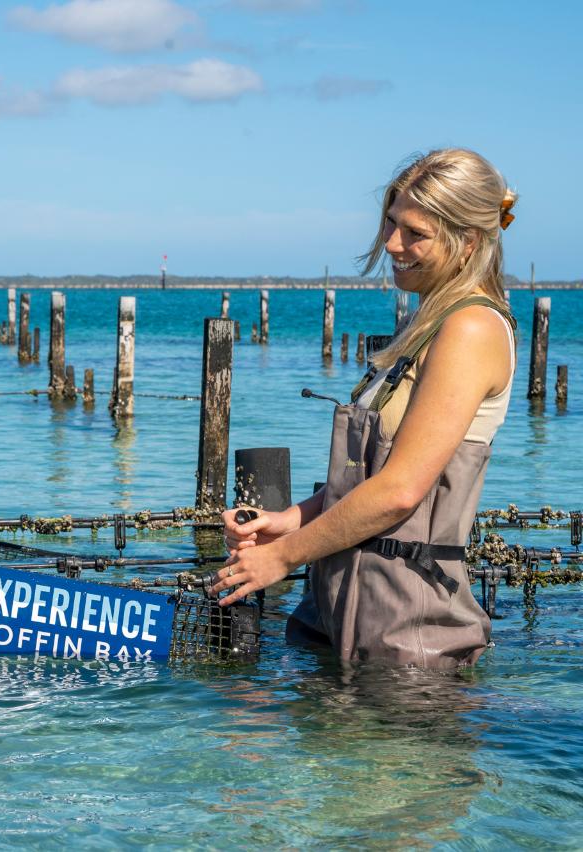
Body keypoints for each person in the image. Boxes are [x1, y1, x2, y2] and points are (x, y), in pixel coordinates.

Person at [211, 148, 518, 669]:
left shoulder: (471, 329)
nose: (393, 244)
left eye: (415, 233)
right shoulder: (426, 325)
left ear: (468, 242)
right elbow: (366, 479)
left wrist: (281, 559)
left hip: (409, 635)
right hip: (345, 612)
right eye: (391, 223)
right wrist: (288, 522)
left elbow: (400, 491)